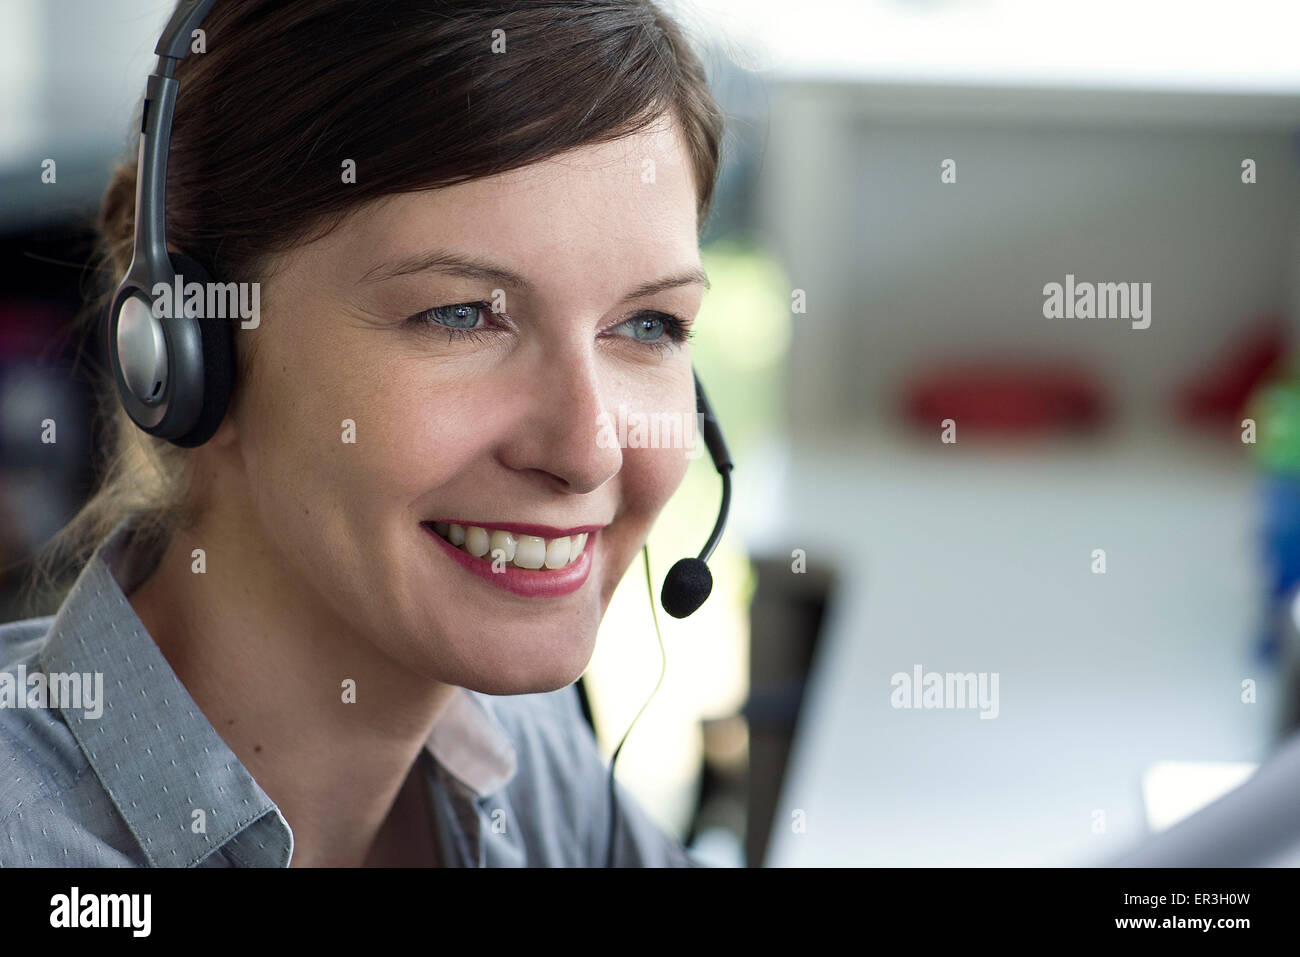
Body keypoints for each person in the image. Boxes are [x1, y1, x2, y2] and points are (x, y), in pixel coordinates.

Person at [0, 0, 724, 867]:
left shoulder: (527, 760)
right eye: (461, 314)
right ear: (190, 350)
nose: (588, 450)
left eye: (649, 325)